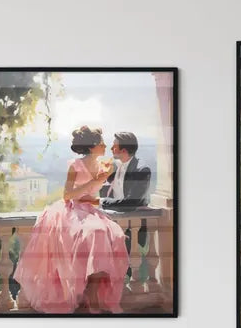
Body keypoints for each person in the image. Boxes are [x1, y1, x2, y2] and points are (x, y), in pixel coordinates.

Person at [13, 125, 130, 314]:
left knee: (113, 235)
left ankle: (93, 295)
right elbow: (68, 195)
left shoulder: (103, 166)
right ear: (92, 146)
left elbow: (97, 195)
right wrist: (95, 181)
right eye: (101, 143)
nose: (105, 145)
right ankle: (84, 296)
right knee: (94, 233)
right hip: (73, 210)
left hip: (91, 210)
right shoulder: (74, 165)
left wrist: (104, 179)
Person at [100, 131, 151, 210]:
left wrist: (103, 201)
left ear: (124, 150)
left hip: (133, 217)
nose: (111, 148)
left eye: (114, 146)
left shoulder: (141, 171)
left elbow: (131, 203)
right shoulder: (114, 166)